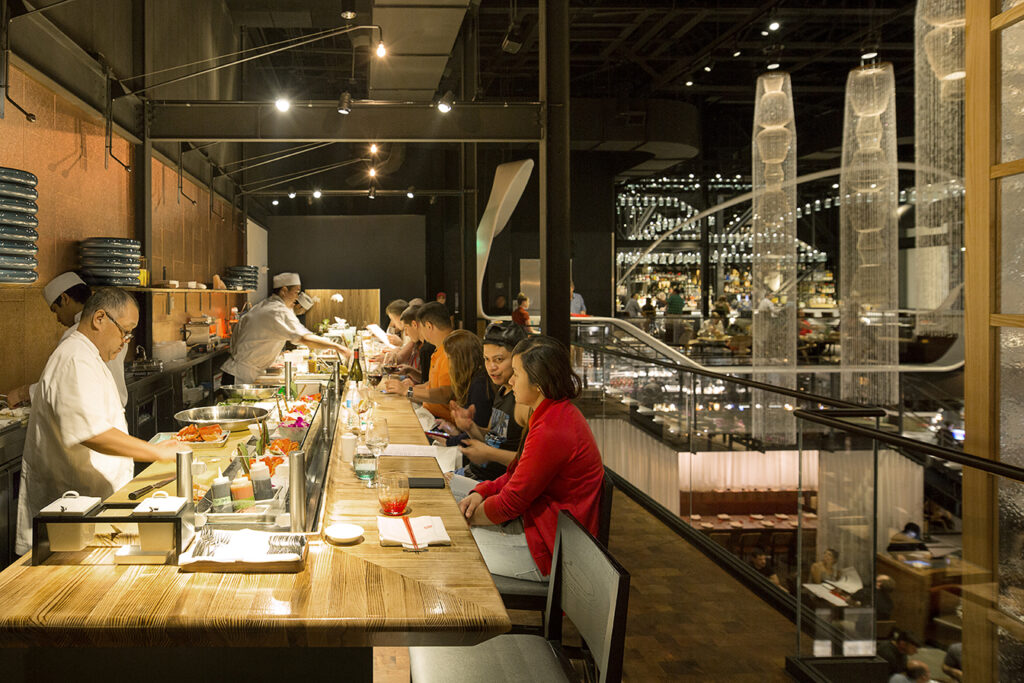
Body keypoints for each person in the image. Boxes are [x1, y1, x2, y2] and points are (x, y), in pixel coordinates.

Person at [14, 288, 180, 555]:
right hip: (69, 518)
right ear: (100, 319)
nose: (126, 341)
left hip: (90, 508)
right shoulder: (74, 358)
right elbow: (92, 434)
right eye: (125, 331)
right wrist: (157, 453)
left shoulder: (90, 356)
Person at [455, 335, 604, 582]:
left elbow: (510, 503)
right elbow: (516, 473)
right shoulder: (549, 412)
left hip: (552, 551)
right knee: (453, 498)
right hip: (538, 527)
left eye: (516, 373)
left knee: (455, 546)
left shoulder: (552, 428)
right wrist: (482, 491)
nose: (511, 382)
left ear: (539, 383)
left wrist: (466, 519)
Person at [4, 272, 129, 408]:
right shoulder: (114, 329)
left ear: (65, 299)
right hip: (114, 411)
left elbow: (60, 385)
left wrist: (22, 393)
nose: (58, 319)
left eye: (55, 310)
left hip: (92, 415)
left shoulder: (75, 334)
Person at [221, 272, 350, 385]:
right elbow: (304, 338)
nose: (297, 297)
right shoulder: (277, 310)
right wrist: (338, 347)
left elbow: (237, 338)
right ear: (283, 290)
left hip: (234, 371)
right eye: (296, 292)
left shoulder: (263, 305)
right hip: (240, 377)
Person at [448, 322, 528, 480]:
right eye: (486, 359)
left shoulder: (523, 400)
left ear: (518, 358)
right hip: (473, 473)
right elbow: (492, 437)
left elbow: (529, 463)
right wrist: (470, 426)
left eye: (499, 359)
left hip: (492, 483)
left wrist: (489, 454)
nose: (491, 367)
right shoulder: (502, 389)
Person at [383, 302, 454, 420]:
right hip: (428, 413)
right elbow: (430, 385)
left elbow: (445, 394)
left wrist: (408, 391)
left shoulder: (451, 350)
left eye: (421, 328)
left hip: (438, 420)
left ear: (429, 326)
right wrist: (402, 389)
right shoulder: (439, 349)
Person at [440, 330, 492, 437]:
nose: (448, 364)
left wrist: (449, 441)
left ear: (460, 359)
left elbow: (478, 436)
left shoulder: (479, 385)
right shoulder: (473, 380)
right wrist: (454, 431)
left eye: (449, 358)